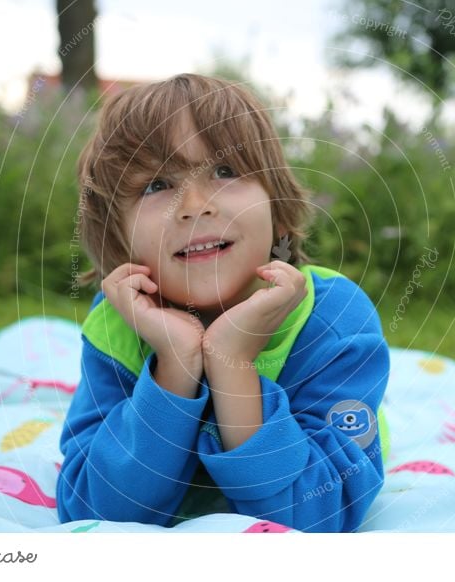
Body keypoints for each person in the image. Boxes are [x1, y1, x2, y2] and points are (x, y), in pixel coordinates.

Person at [56, 73, 391, 533]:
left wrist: (232, 363)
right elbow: (91, 510)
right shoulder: (117, 325)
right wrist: (174, 364)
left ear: (276, 203)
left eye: (226, 171)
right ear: (118, 238)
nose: (195, 205)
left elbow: (320, 515)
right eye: (156, 185)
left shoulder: (331, 320)